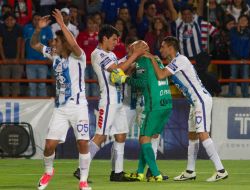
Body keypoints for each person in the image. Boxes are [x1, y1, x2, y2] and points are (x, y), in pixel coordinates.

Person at [145, 36, 228, 182]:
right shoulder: (174, 62)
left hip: (200, 100)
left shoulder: (180, 60)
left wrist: (152, 59)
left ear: (171, 47)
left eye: (163, 46)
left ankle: (220, 170)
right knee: (192, 136)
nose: (160, 49)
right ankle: (190, 171)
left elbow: (161, 75)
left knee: (202, 133)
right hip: (194, 102)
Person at [73, 24, 146, 182]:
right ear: (104, 38)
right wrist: (135, 55)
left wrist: (132, 57)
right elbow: (117, 70)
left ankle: (117, 173)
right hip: (108, 101)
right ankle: (81, 169)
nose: (116, 42)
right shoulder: (97, 54)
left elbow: (122, 69)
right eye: (113, 39)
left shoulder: (111, 54)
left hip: (118, 101)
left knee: (121, 135)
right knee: (100, 136)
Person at [30, 9, 92, 190]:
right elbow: (34, 44)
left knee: (82, 143)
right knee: (49, 146)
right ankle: (49, 171)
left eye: (56, 40)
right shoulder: (54, 54)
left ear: (64, 43)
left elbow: (73, 44)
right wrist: (37, 29)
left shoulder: (79, 56)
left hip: (79, 107)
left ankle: (83, 181)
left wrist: (63, 25)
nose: (52, 42)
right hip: (61, 108)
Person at [110, 40, 172, 182]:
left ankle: (156, 174)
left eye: (132, 50)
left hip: (151, 105)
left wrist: (124, 78)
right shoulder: (155, 59)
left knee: (144, 139)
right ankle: (139, 172)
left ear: (140, 49)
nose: (129, 53)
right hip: (165, 103)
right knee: (149, 137)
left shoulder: (142, 61)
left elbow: (142, 84)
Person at [23, 12, 54, 97]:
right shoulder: (26, 28)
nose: (37, 21)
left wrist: (50, 57)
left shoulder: (47, 29)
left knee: (42, 85)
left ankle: (42, 106)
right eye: (35, 19)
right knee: (31, 86)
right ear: (32, 20)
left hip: (43, 61)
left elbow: (50, 43)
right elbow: (22, 43)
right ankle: (32, 107)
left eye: (39, 19)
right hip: (30, 61)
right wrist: (22, 57)